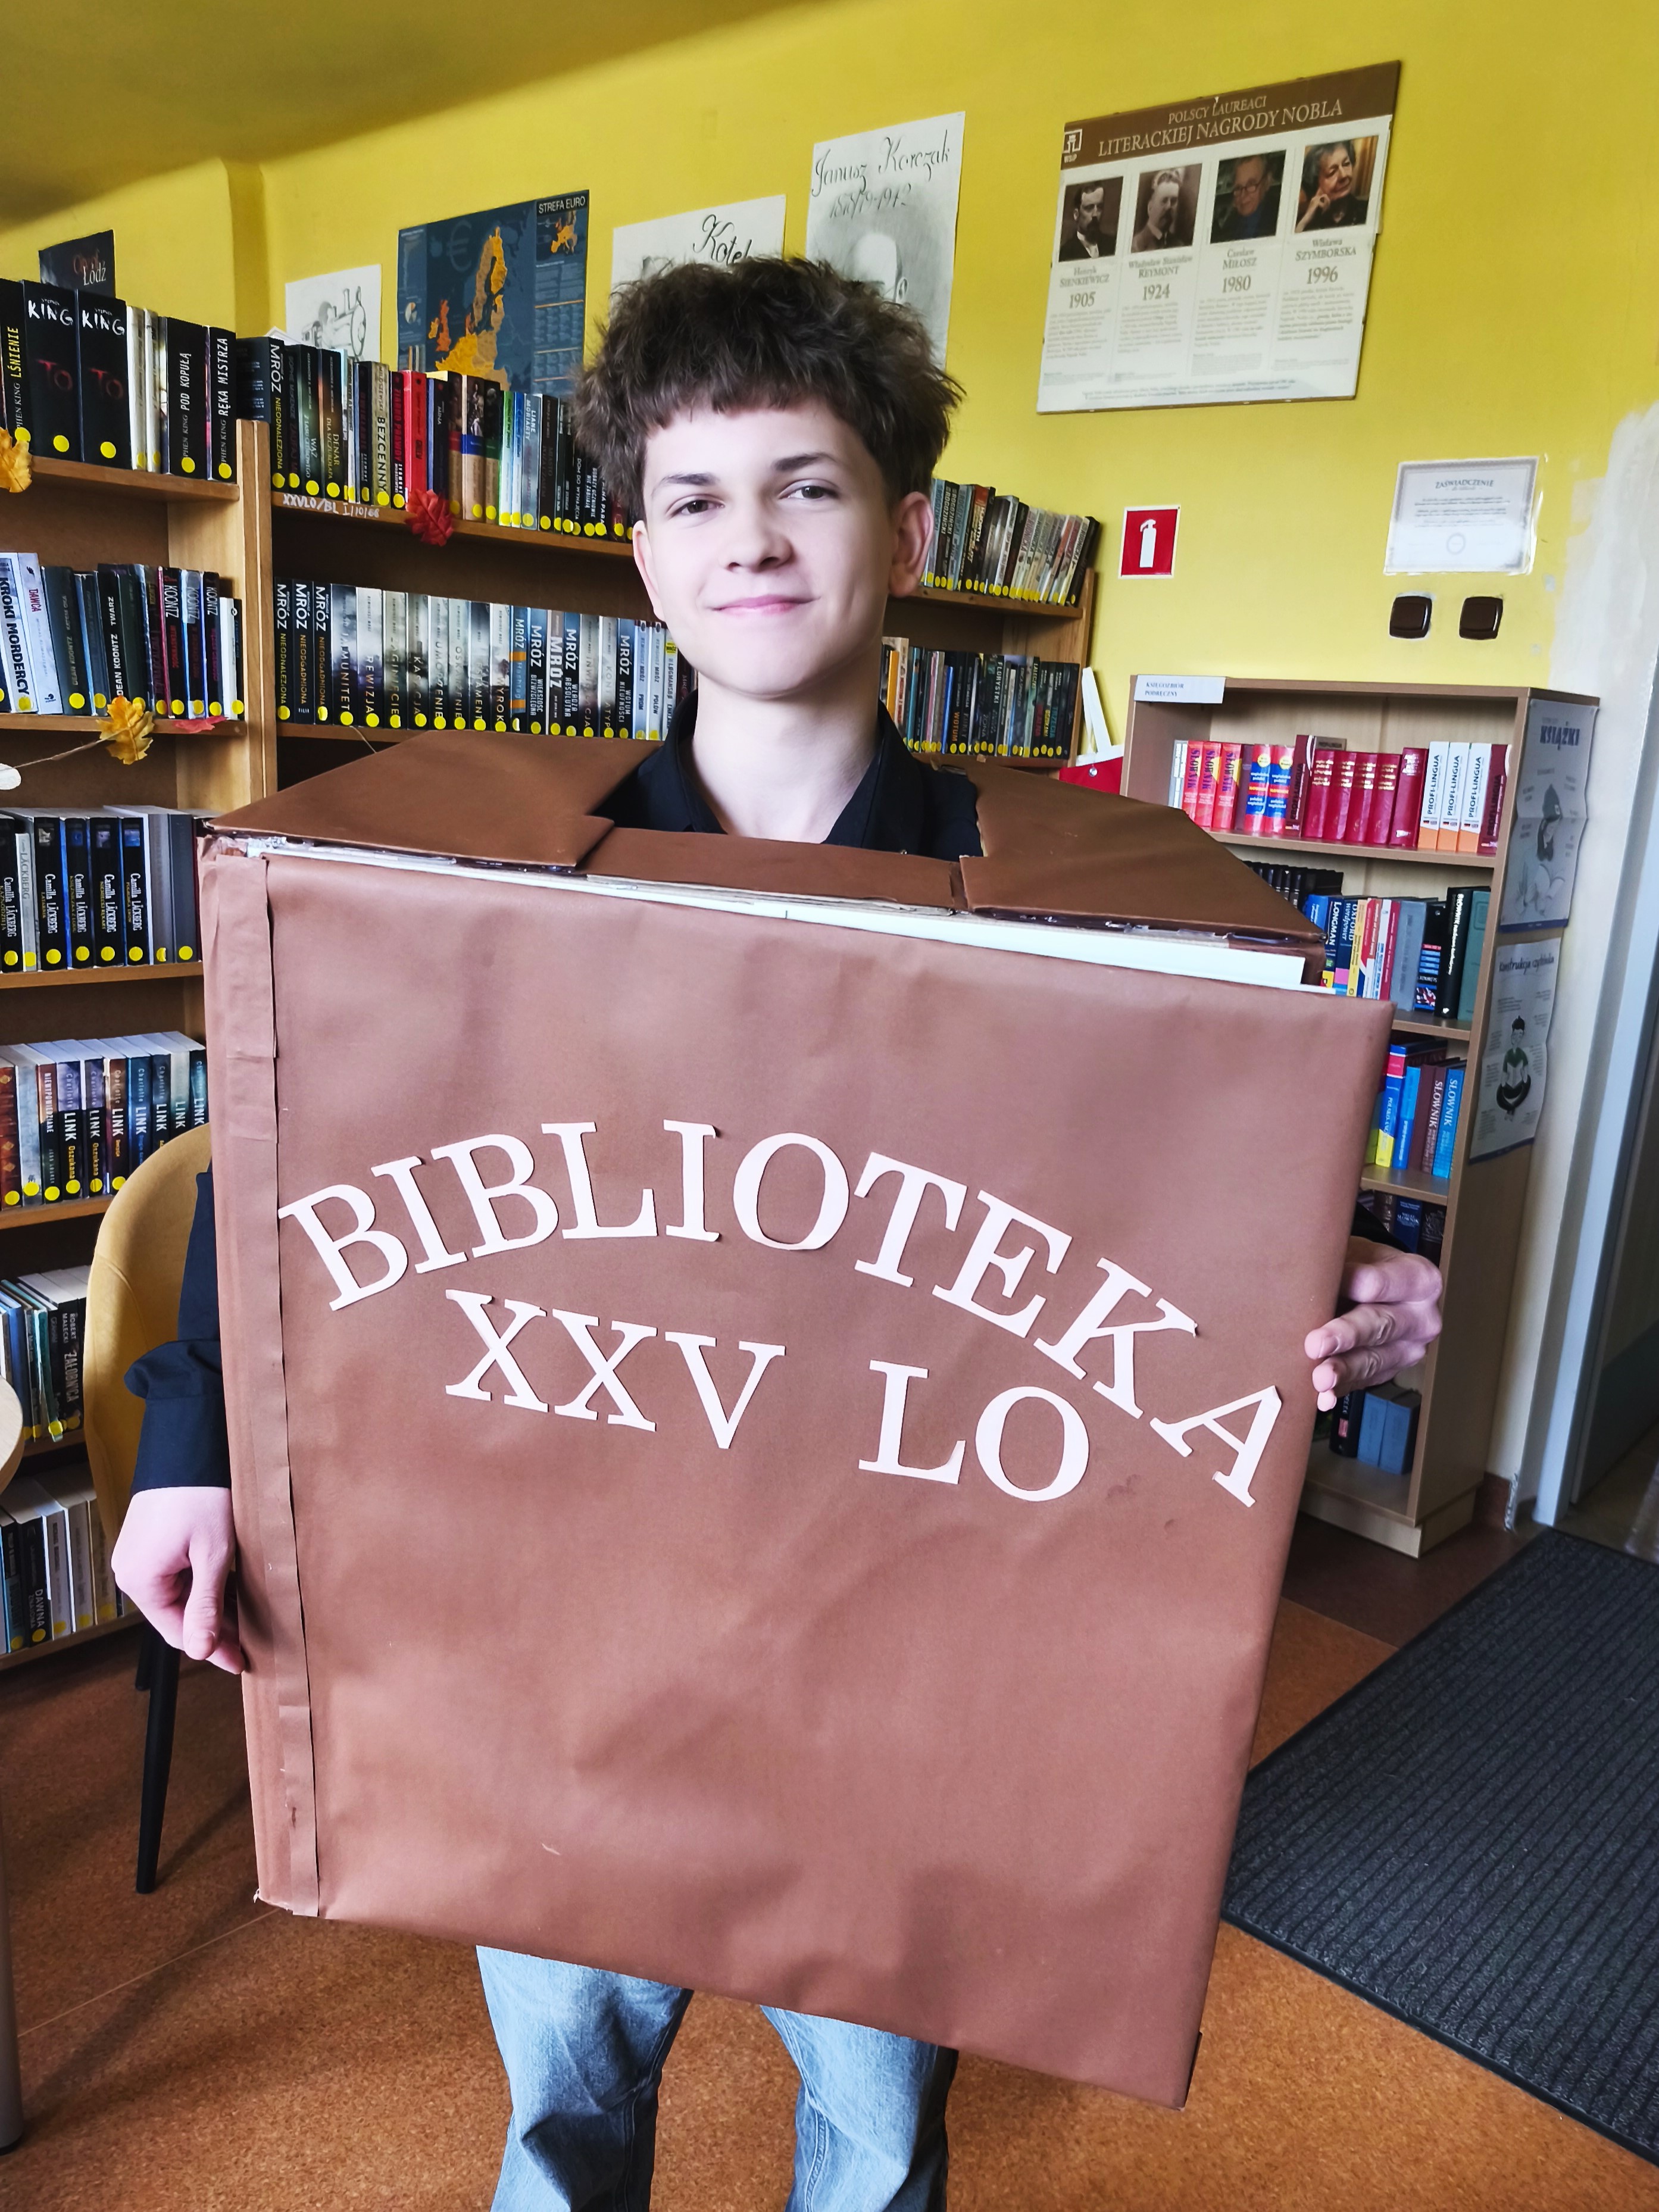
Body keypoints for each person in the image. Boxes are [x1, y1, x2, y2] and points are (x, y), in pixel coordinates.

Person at [111, 255, 1443, 2212]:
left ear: (904, 534)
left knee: (877, 2133)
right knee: (562, 2113)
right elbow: (298, 1148)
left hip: (892, 1654)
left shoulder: (1090, 927)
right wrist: (191, 1441)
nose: (749, 538)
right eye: (695, 497)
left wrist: (1345, 1286)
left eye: (807, 485)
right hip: (559, 1640)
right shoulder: (476, 891)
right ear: (643, 560)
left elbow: (1174, 1205)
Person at [1296, 140, 1369, 232]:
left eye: (1346, 164)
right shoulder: (1306, 221)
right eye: (1332, 172)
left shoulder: (1367, 210)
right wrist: (1305, 221)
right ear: (1316, 182)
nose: (1343, 175)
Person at [1211, 154, 1281, 243]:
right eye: (1239, 188)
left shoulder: (1279, 220)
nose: (1243, 194)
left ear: (1267, 181)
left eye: (1251, 184)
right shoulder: (1228, 227)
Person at [1132, 168, 1187, 252]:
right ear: (1150, 207)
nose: (1169, 207)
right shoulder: (1136, 246)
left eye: (1173, 201)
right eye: (1164, 201)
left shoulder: (1179, 246)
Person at [1058, 180, 1114, 260]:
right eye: (1089, 208)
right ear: (1076, 215)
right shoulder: (1066, 253)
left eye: (1100, 207)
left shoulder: (1113, 245)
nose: (1095, 215)